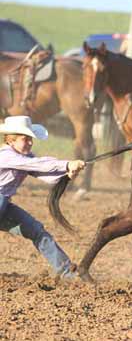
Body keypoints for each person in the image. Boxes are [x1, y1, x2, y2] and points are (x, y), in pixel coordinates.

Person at [0, 116, 85, 279]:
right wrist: (67, 164)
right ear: (11, 140)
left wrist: (67, 174)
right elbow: (39, 164)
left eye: (30, 139)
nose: (30, 142)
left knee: (36, 230)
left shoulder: (25, 158)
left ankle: (67, 272)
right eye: (25, 139)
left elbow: (45, 174)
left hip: (3, 205)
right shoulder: (6, 155)